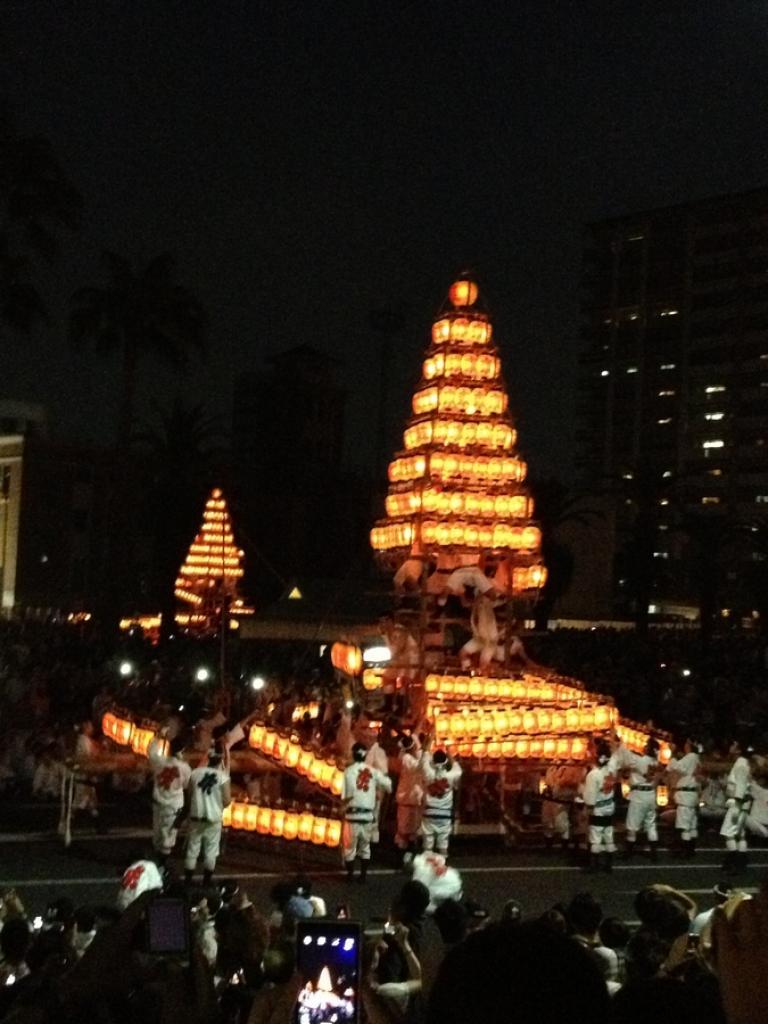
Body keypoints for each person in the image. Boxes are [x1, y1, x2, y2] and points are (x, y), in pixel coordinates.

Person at [341, 741, 392, 882]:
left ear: (353, 754)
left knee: (349, 847)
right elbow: (388, 783)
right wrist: (383, 791)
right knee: (365, 847)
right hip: (368, 815)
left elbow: (347, 795)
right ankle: (363, 876)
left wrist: (341, 808)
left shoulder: (348, 771)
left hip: (352, 815)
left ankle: (350, 876)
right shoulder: (373, 771)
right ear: (365, 756)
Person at [184, 742, 231, 886]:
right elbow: (227, 800)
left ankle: (188, 882)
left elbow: (190, 794)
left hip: (196, 816)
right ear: (220, 761)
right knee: (211, 851)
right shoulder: (223, 777)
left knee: (192, 849)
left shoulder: (195, 773)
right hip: (213, 819)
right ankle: (206, 882)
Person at [147, 731, 191, 865]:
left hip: (158, 802)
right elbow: (186, 784)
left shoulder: (159, 761)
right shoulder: (184, 768)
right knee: (168, 836)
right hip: (173, 805)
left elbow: (151, 751)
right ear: (182, 750)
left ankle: (157, 860)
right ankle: (162, 864)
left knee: (158, 833)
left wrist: (158, 736)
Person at [617, 737, 662, 861]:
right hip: (651, 794)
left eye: (646, 745)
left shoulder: (640, 760)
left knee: (632, 825)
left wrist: (620, 741)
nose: (644, 746)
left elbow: (625, 755)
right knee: (651, 824)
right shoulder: (656, 762)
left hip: (639, 795)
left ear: (649, 748)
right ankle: (654, 854)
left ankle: (628, 854)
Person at [420, 737, 462, 859]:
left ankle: (427, 871)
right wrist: (449, 753)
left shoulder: (428, 773)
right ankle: (441, 868)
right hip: (444, 814)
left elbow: (424, 758)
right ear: (445, 762)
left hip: (429, 812)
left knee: (427, 844)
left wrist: (430, 740)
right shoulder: (452, 775)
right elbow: (457, 768)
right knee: (443, 844)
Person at [582, 738, 619, 873]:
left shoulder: (593, 775)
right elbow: (614, 759)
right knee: (608, 834)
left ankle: (594, 865)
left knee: (595, 835)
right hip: (609, 806)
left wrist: (587, 808)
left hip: (598, 808)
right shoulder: (611, 771)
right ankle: (609, 864)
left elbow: (590, 797)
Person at [720, 739, 756, 874]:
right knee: (740, 835)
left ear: (739, 749)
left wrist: (737, 801)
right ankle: (741, 862)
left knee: (728, 834)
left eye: (734, 745)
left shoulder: (741, 764)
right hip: (743, 803)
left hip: (738, 802)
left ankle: (733, 863)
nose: (731, 746)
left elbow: (740, 785)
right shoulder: (743, 763)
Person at [667, 738, 702, 858]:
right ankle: (691, 850)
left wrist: (672, 752)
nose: (685, 745)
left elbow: (677, 767)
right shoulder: (696, 758)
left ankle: (685, 851)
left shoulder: (691, 756)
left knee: (685, 826)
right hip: (692, 795)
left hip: (686, 795)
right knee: (692, 824)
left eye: (687, 743)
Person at [395, 734, 424, 866]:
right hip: (406, 801)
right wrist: (425, 750)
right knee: (404, 832)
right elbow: (419, 766)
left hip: (415, 802)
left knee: (413, 832)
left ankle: (410, 859)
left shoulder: (411, 757)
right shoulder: (405, 758)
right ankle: (401, 858)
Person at [540, 763, 580, 853]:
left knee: (562, 824)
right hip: (549, 800)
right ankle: (548, 846)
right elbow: (546, 782)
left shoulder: (571, 768)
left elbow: (574, 783)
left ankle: (564, 846)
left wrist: (563, 783)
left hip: (562, 801)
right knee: (547, 822)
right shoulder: (551, 768)